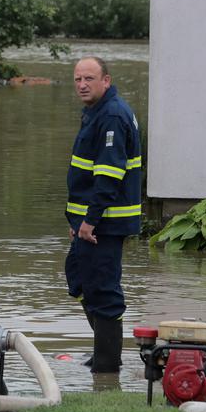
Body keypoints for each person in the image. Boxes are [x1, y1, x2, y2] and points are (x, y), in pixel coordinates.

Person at [65, 55, 143, 374]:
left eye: (89, 79)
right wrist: (79, 222)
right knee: (81, 278)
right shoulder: (97, 112)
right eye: (78, 79)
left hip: (104, 224)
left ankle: (107, 365)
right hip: (91, 222)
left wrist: (90, 222)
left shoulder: (111, 115)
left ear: (106, 81)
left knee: (103, 289)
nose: (82, 85)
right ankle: (103, 350)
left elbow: (108, 177)